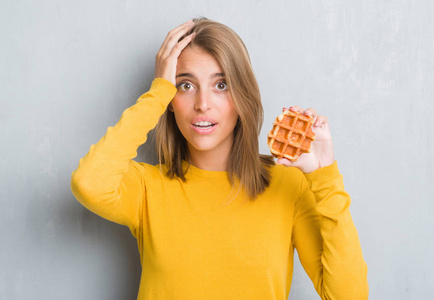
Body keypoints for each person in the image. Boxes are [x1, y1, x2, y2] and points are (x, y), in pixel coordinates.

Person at [71, 18, 368, 299]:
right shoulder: (147, 187)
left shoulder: (289, 186)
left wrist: (324, 175)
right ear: (171, 101)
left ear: (242, 97)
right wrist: (158, 92)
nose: (202, 104)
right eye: (185, 85)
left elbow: (348, 296)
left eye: (221, 85)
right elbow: (89, 184)